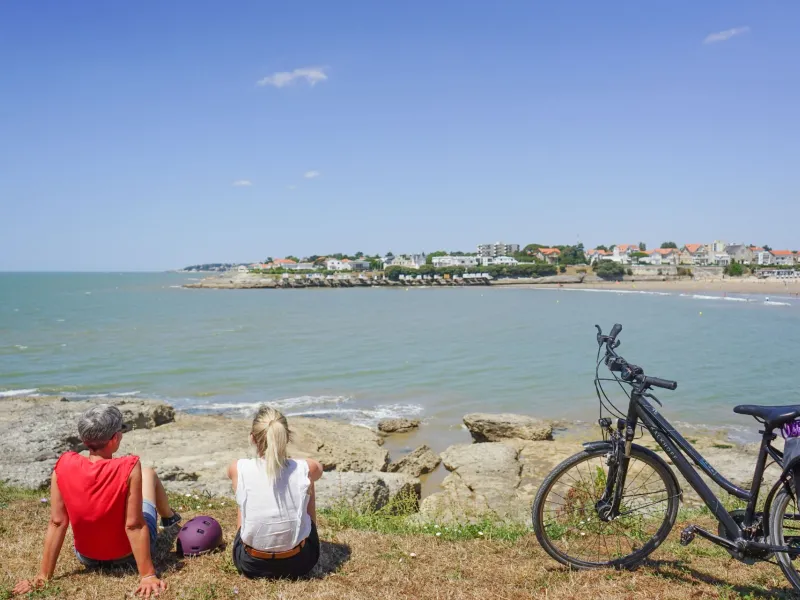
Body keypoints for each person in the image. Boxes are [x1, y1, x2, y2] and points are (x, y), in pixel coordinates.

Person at [13, 404, 181, 598]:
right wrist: (147, 575)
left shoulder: (63, 464)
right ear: (115, 438)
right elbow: (134, 525)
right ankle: (169, 518)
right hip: (127, 556)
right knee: (149, 475)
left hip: (87, 557)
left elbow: (57, 522)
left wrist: (43, 576)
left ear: (84, 438)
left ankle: (169, 517)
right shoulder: (128, 466)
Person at [227, 406, 323, 579]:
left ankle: (252, 541)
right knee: (307, 482)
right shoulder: (306, 468)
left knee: (245, 492)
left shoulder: (238, 468)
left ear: (253, 438)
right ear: (286, 437)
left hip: (250, 565)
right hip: (300, 563)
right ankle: (306, 534)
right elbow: (319, 470)